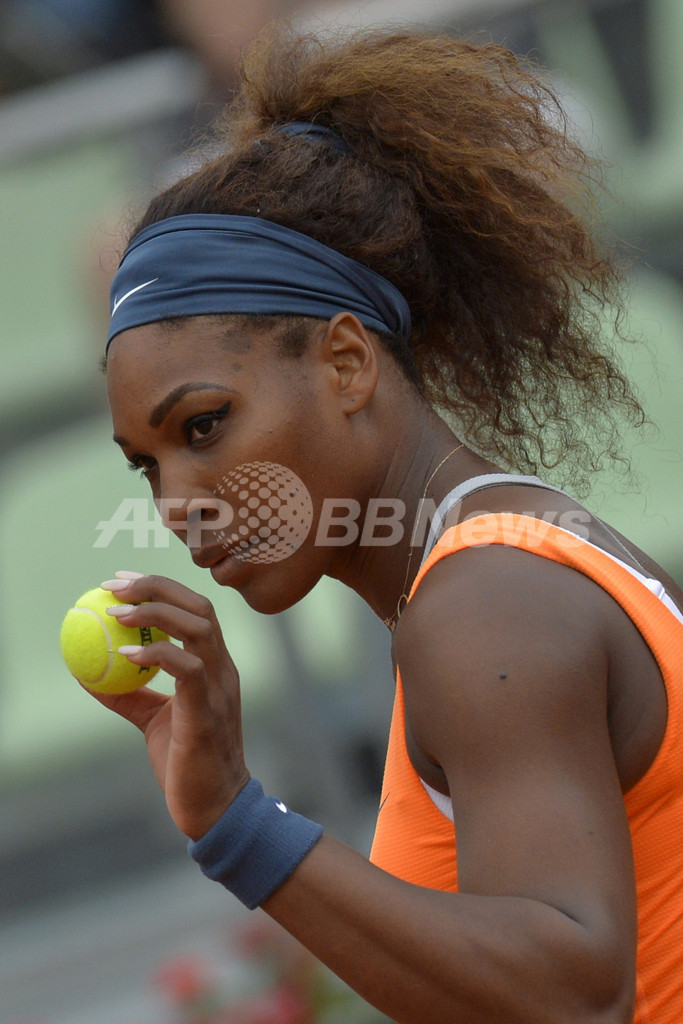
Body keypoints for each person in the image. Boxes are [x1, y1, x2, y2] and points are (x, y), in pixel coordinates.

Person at [93, 26, 683, 1024]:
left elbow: (573, 997)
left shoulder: (484, 605)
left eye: (204, 425)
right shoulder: (495, 566)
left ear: (345, 363)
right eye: (146, 465)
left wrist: (237, 823)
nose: (176, 501)